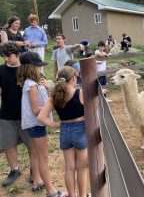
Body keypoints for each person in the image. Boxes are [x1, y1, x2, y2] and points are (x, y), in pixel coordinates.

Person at [17, 51, 66, 197]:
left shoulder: (33, 83)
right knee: (43, 158)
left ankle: (39, 181)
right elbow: (35, 109)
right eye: (38, 66)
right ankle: (50, 191)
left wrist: (44, 88)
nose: (40, 68)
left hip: (36, 125)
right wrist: (52, 106)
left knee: (38, 155)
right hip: (36, 124)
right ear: (31, 67)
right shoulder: (31, 85)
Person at [38, 66, 88, 197]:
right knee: (82, 168)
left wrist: (56, 125)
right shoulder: (80, 93)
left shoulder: (55, 96)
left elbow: (41, 117)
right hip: (80, 131)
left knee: (69, 168)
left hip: (65, 132)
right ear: (73, 78)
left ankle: (72, 195)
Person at [0, 43, 32, 187]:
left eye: (9, 56)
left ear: (18, 55)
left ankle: (34, 169)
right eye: (4, 56)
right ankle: (14, 170)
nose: (6, 59)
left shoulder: (26, 69)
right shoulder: (0, 70)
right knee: (8, 145)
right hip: (6, 114)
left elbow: (39, 86)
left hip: (27, 115)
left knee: (31, 144)